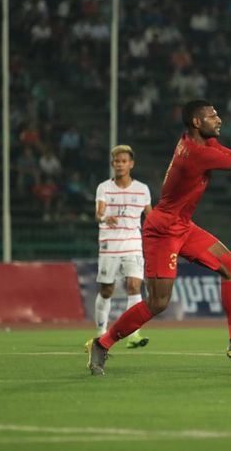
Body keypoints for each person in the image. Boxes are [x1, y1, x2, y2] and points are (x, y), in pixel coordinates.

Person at [87, 99, 231, 375]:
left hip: (183, 226)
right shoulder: (195, 152)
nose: (219, 119)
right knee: (158, 302)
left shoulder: (204, 144)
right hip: (163, 231)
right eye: (212, 116)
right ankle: (102, 343)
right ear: (197, 122)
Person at [90, 144, 152, 349]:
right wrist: (106, 217)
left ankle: (133, 334)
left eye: (124, 161)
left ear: (131, 164)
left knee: (134, 286)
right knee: (107, 290)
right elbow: (98, 214)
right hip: (110, 245)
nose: (120, 164)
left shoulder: (142, 189)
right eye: (117, 161)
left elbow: (149, 217)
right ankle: (101, 332)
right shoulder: (104, 187)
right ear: (112, 164)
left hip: (134, 245)